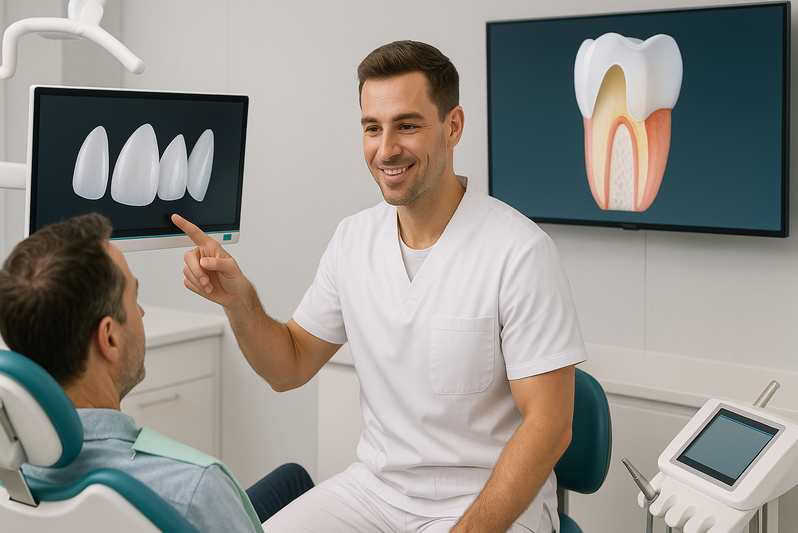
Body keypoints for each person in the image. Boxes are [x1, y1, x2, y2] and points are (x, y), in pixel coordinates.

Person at [173, 40, 587, 533]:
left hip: (484, 504)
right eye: (373, 127)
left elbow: (550, 426)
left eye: (407, 126)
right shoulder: (354, 239)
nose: (386, 149)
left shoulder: (518, 252)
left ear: (452, 126)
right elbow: (289, 366)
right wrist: (238, 301)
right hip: (374, 493)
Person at [0, 213, 313, 532]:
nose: (141, 312)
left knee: (291, 480)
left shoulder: (10, 479)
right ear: (109, 337)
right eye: (135, 298)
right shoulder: (195, 490)